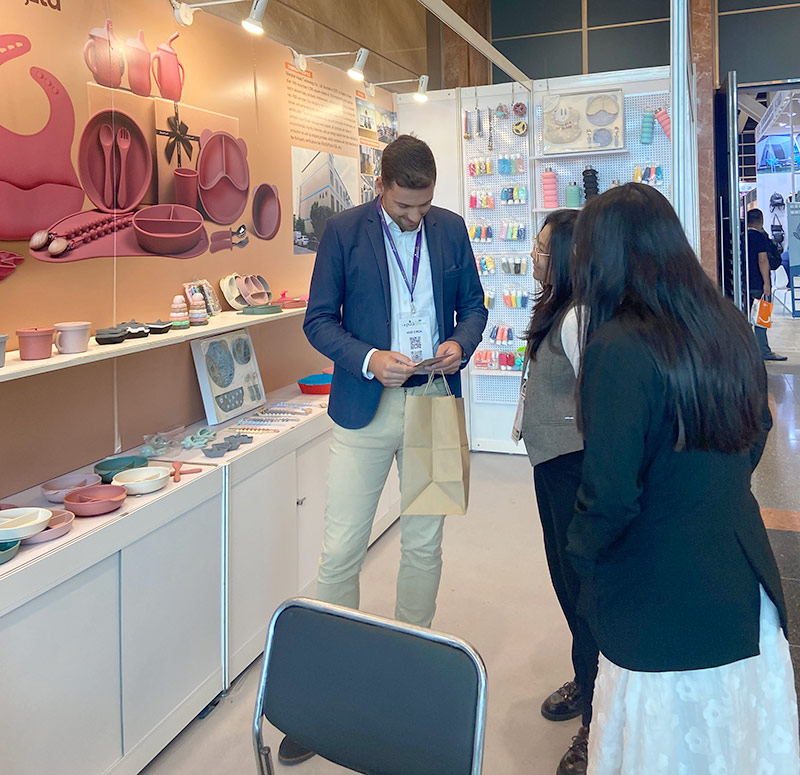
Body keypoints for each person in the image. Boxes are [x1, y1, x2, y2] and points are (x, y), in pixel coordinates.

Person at [566, 183, 799, 774]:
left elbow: (610, 494)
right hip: (740, 581)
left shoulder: (617, 347)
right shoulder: (726, 323)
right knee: (740, 746)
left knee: (666, 749)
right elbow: (757, 428)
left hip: (658, 598)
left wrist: (580, 557)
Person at [283, 135, 487, 766]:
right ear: (381, 188)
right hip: (364, 405)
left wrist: (459, 344)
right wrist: (369, 357)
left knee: (425, 544)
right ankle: (330, 691)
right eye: (403, 207)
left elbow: (474, 308)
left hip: (436, 399)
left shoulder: (451, 229)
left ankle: (407, 673)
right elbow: (318, 320)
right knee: (341, 549)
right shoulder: (343, 232)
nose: (414, 217)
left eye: (423, 206)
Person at [519, 210, 598, 775]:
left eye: (545, 248)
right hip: (550, 465)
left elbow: (599, 399)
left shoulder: (579, 317)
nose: (535, 254)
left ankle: (595, 719)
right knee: (565, 581)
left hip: (573, 467)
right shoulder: (554, 306)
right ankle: (586, 678)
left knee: (581, 589)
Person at [746, 208, 787, 361]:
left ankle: (746, 350)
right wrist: (767, 284)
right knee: (762, 319)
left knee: (745, 317)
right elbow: (763, 260)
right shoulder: (760, 237)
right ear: (761, 221)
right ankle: (764, 351)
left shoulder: (741, 236)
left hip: (744, 283)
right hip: (759, 283)